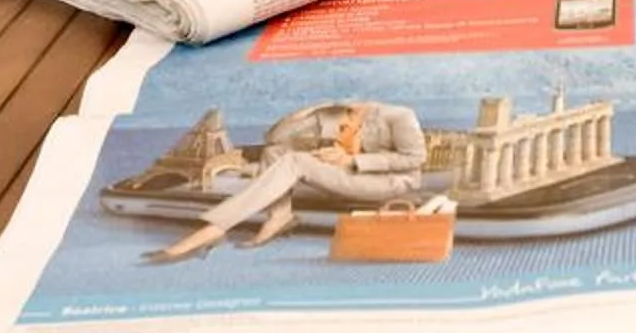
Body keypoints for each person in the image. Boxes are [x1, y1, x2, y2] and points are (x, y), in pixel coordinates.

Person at [146, 101, 428, 264]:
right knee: (276, 153)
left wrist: (353, 161)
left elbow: (415, 158)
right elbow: (275, 140)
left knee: (296, 162)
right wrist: (302, 115)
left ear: (358, 113)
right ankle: (279, 216)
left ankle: (214, 228)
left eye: (342, 128)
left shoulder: (399, 117)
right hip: (352, 175)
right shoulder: (333, 114)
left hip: (389, 181)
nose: (335, 133)